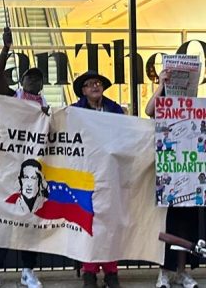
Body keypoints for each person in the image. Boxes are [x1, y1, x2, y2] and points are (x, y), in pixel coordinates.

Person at [0, 27, 43, 288]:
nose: (33, 81)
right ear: (22, 81)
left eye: (38, 78)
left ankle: (28, 270)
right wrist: (5, 48)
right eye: (29, 77)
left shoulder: (44, 104)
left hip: (32, 169)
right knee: (3, 220)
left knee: (29, 221)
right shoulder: (12, 96)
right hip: (7, 167)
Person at [145, 68, 198, 288]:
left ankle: (182, 272)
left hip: (190, 170)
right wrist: (161, 84)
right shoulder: (163, 101)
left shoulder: (194, 104)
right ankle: (164, 272)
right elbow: (149, 110)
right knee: (166, 224)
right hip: (166, 172)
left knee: (186, 226)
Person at [71, 70, 124, 288]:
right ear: (83, 90)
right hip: (84, 173)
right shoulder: (73, 112)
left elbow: (126, 135)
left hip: (110, 173)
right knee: (88, 223)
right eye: (90, 84)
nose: (95, 86)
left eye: (98, 83)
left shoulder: (115, 109)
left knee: (109, 223)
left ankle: (111, 271)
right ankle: (89, 272)